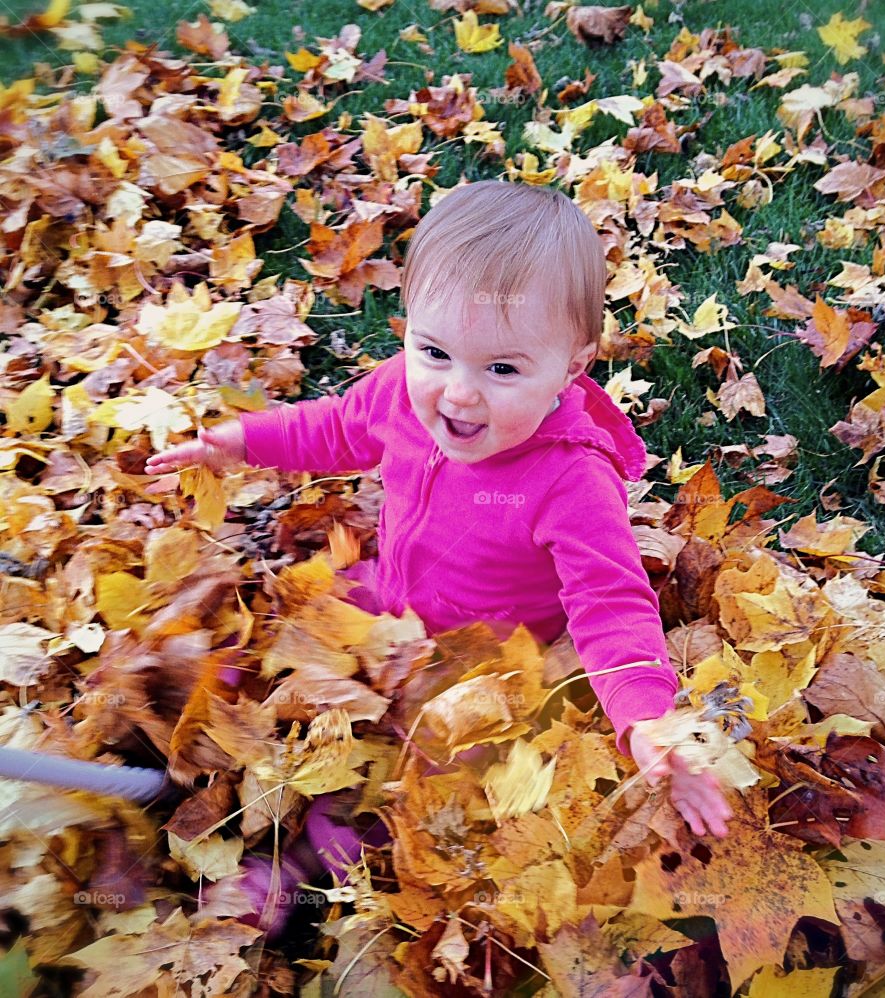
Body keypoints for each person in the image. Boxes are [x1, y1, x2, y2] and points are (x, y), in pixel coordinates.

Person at [145, 180, 732, 838]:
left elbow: (611, 602)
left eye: (502, 370)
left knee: (436, 771)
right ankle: (228, 743)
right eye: (434, 352)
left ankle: (362, 833)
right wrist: (245, 442)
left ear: (572, 368)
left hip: (480, 661)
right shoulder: (401, 390)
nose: (458, 394)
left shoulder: (571, 479)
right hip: (388, 599)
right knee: (288, 640)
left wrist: (646, 716)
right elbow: (336, 429)